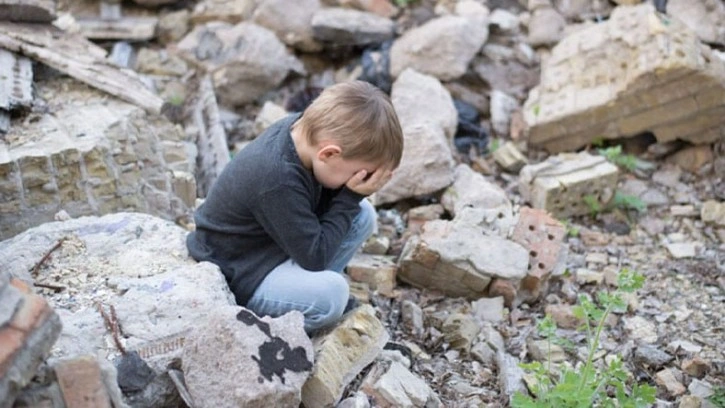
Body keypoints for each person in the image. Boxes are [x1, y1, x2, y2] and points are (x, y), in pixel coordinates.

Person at [186, 80, 404, 334]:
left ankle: (303, 289)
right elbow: (315, 257)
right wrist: (349, 196)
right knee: (332, 295)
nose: (359, 181)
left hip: (270, 247)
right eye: (357, 174)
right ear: (329, 154)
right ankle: (273, 330)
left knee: (363, 214)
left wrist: (351, 196)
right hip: (239, 272)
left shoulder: (304, 132)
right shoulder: (276, 177)